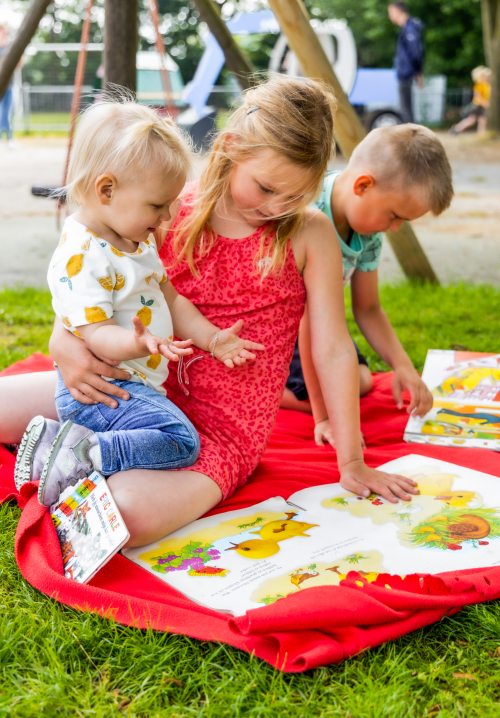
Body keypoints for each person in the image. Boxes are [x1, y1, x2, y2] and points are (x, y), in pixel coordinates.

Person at [1, 77, 418, 548]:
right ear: (232, 147)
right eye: (265, 187)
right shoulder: (164, 206)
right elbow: (91, 275)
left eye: (295, 195)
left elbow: (334, 348)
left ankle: (74, 448)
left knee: (124, 515)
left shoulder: (308, 232)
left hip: (221, 430)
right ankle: (73, 446)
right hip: (133, 386)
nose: (277, 206)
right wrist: (63, 340)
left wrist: (352, 462)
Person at [15, 97, 264, 508]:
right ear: (107, 189)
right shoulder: (83, 256)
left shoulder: (133, 240)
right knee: (181, 442)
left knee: (171, 435)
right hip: (104, 388)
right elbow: (94, 335)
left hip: (131, 386)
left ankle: (69, 446)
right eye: (157, 205)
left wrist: (213, 339)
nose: (168, 216)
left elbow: (172, 298)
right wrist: (138, 343)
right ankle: (84, 455)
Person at [282, 124, 454, 448]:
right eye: (393, 216)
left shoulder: (369, 233)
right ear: (363, 185)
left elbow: (369, 307)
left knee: (359, 381)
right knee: (337, 394)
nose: (396, 227)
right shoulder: (310, 216)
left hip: (321, 327)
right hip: (279, 328)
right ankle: (265, 388)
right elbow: (306, 326)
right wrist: (323, 417)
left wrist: (403, 366)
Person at [388, 0, 425, 124]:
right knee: (405, 109)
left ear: (398, 11)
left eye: (391, 13)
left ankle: (410, 140)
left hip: (406, 73)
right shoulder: (408, 28)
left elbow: (416, 53)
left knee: (405, 110)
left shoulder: (409, 29)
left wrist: (418, 73)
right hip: (406, 72)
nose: (390, 16)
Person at [451, 66, 491, 136]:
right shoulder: (479, 86)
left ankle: (481, 135)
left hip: (482, 106)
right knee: (472, 120)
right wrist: (486, 104)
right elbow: (478, 98)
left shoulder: (487, 85)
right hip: (477, 106)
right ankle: (456, 128)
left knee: (482, 120)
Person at [0, 24, 18, 148]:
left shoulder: (10, 46)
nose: (5, 33)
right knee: (2, 112)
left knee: (8, 112)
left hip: (9, 84)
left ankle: (10, 138)